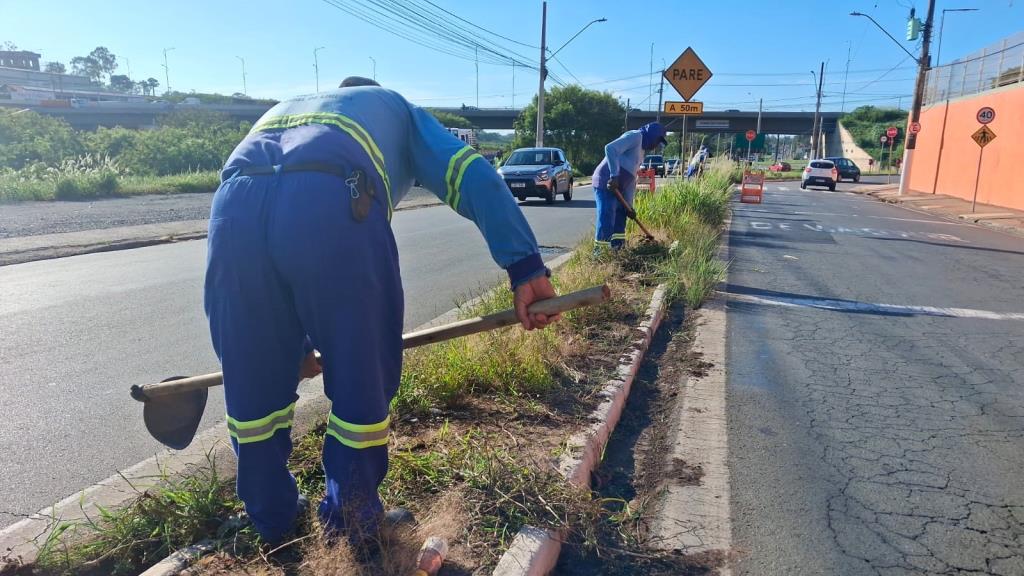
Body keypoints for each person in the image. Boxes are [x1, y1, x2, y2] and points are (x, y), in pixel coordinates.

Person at [204, 76, 559, 545]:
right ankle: (351, 521)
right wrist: (526, 265)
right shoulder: (396, 107)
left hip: (233, 208)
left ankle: (272, 519)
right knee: (361, 375)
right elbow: (468, 172)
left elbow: (276, 208)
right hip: (332, 197)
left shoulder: (288, 106)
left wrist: (295, 345)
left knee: (251, 375)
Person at [591, 122, 668, 250]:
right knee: (607, 215)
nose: (656, 145)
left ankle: (618, 249)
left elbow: (631, 180)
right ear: (652, 135)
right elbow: (610, 148)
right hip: (606, 182)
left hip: (619, 188)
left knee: (621, 216)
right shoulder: (635, 136)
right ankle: (601, 254)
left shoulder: (642, 152)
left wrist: (629, 206)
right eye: (657, 140)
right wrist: (614, 175)